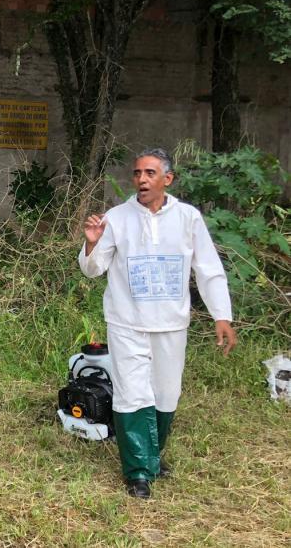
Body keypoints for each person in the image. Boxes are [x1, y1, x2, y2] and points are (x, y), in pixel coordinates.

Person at [78, 148, 237, 499]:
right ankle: (138, 472)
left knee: (166, 394)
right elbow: (93, 270)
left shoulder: (188, 218)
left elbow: (208, 270)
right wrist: (91, 246)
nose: (141, 179)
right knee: (132, 394)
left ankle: (150, 456)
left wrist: (221, 316)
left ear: (168, 179)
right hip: (126, 321)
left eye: (150, 173)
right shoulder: (117, 218)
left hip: (171, 322)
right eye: (137, 173)